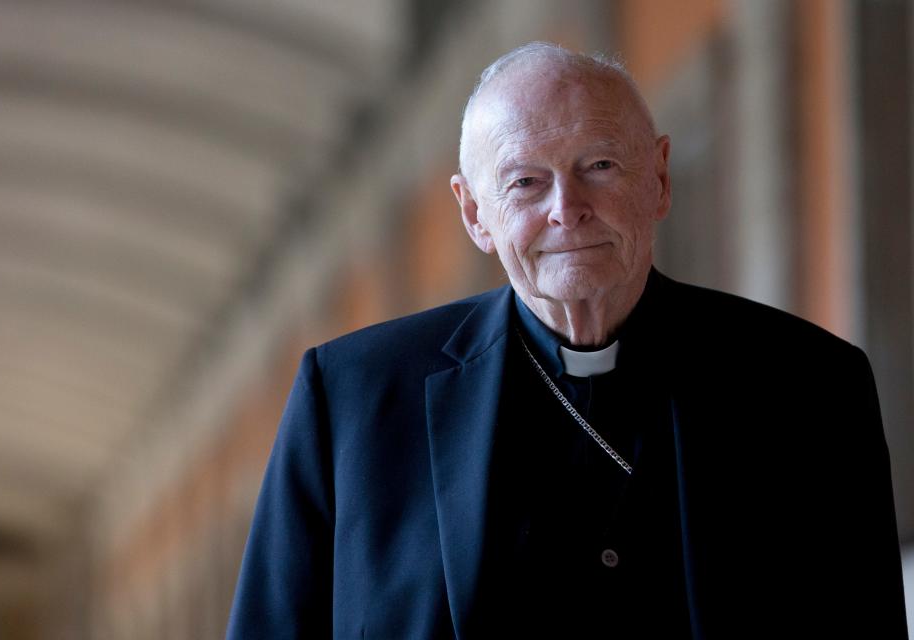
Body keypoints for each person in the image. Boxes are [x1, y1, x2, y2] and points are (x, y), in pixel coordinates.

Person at [227, 42, 908, 639]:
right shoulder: (351, 400)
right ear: (475, 213)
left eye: (601, 165)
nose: (567, 208)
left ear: (659, 178)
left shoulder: (811, 385)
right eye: (525, 181)